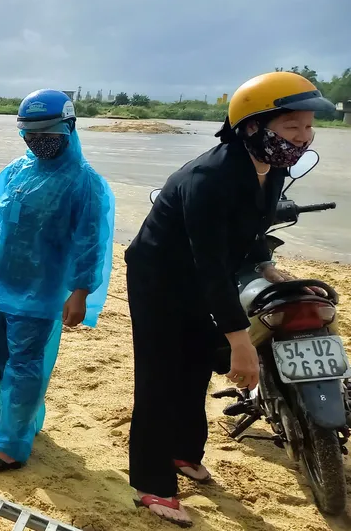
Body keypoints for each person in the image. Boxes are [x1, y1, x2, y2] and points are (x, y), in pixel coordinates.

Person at [124, 71, 334, 527]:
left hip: (205, 274)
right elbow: (210, 266)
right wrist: (239, 341)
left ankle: (183, 452)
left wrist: (263, 262)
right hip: (160, 279)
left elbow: (254, 225)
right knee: (161, 377)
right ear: (254, 126)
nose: (302, 137)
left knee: (198, 363)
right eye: (291, 127)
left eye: (306, 127)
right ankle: (151, 484)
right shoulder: (209, 178)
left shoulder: (272, 167)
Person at [0, 89, 115, 472]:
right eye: (29, 132)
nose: (37, 140)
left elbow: (90, 241)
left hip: (42, 290)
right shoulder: (14, 171)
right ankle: (16, 423)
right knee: (3, 358)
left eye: (47, 131)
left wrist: (80, 291)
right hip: (2, 283)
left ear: (69, 127)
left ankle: (10, 448)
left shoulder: (84, 182)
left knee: (25, 364)